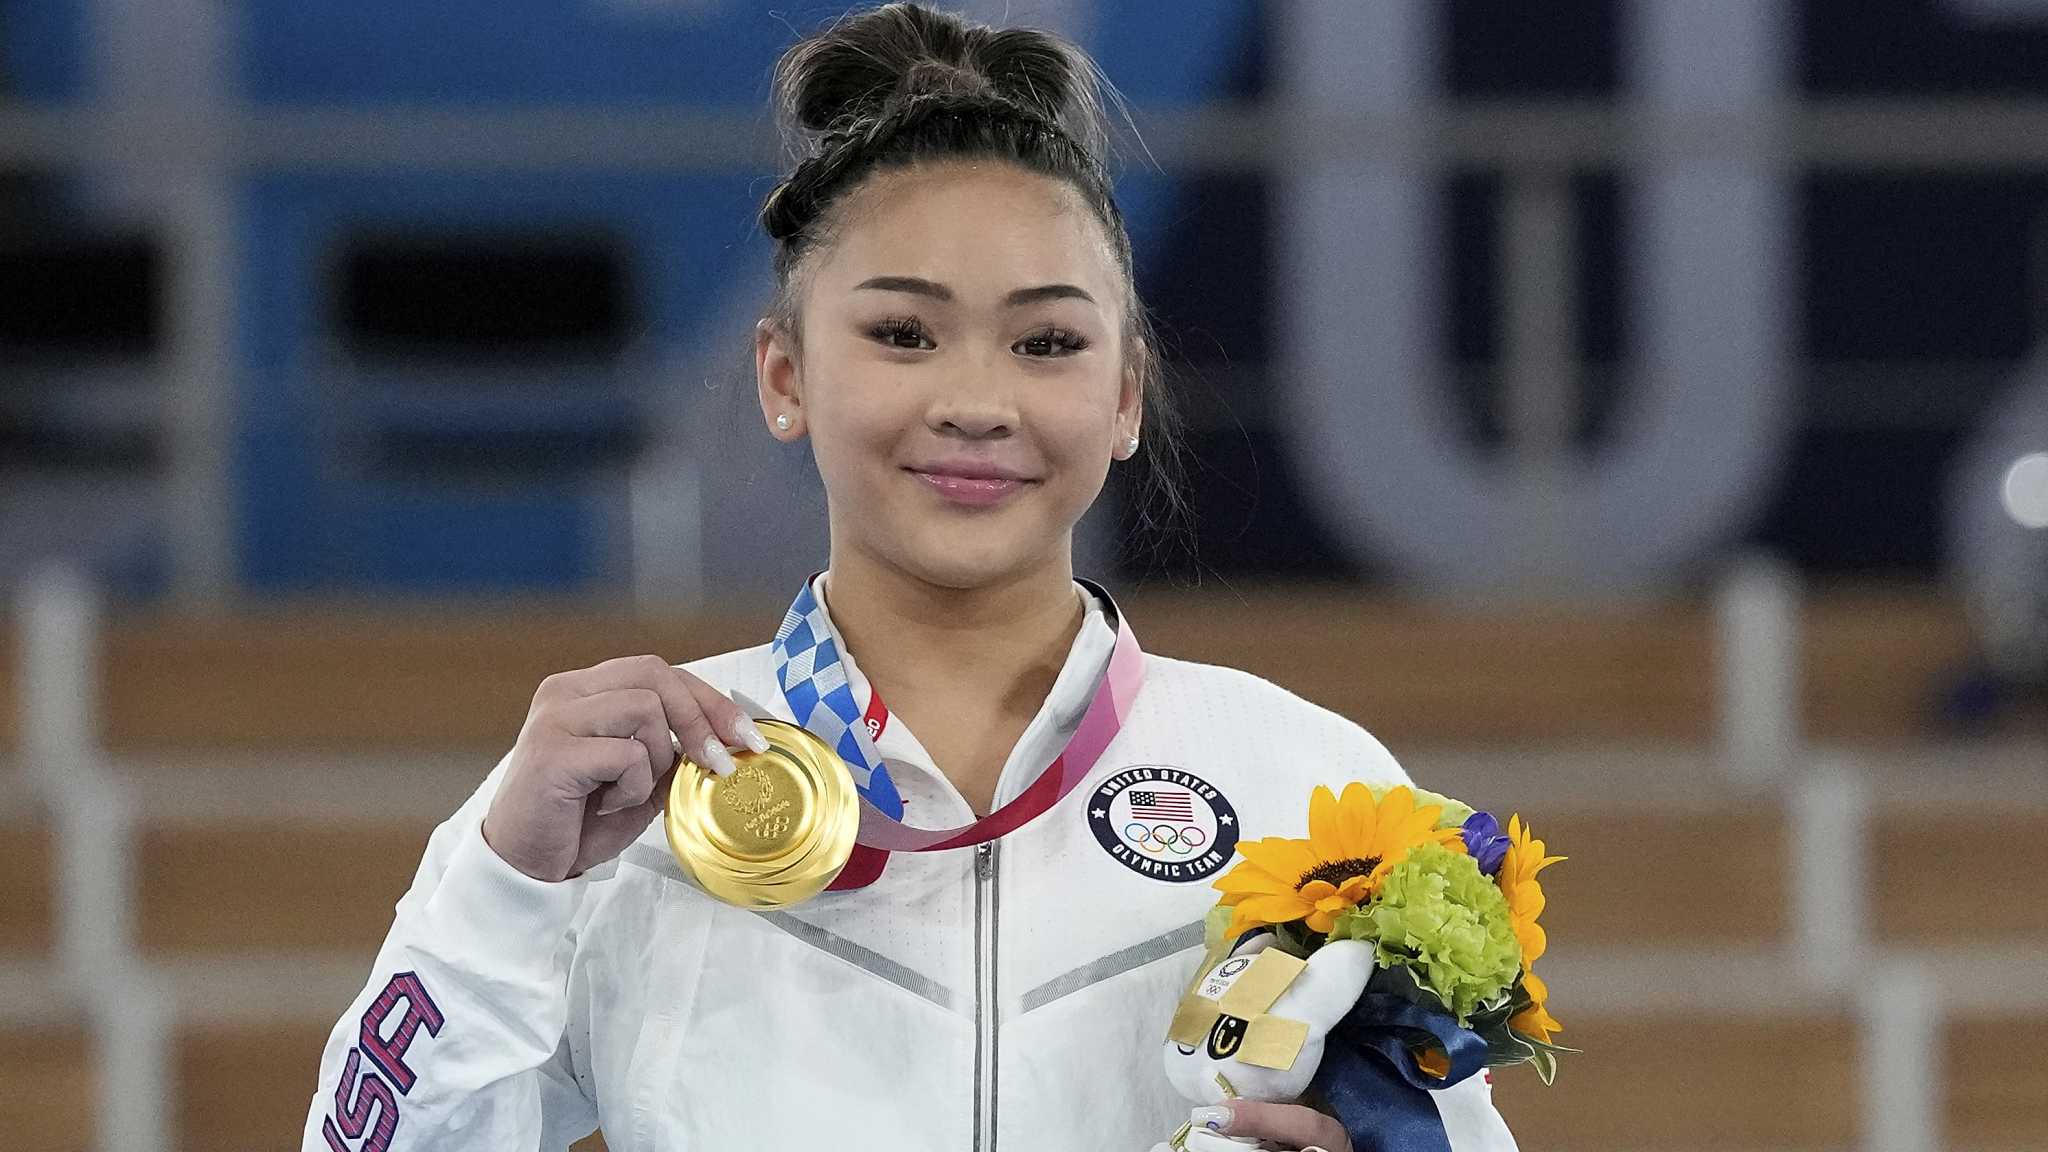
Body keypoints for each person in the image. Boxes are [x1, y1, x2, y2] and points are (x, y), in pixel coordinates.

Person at [302, 6, 1519, 1150]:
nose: (976, 404)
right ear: (783, 377)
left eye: (1047, 342)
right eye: (902, 334)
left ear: (1127, 394)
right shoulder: (615, 810)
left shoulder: (1306, 787)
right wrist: (504, 885)